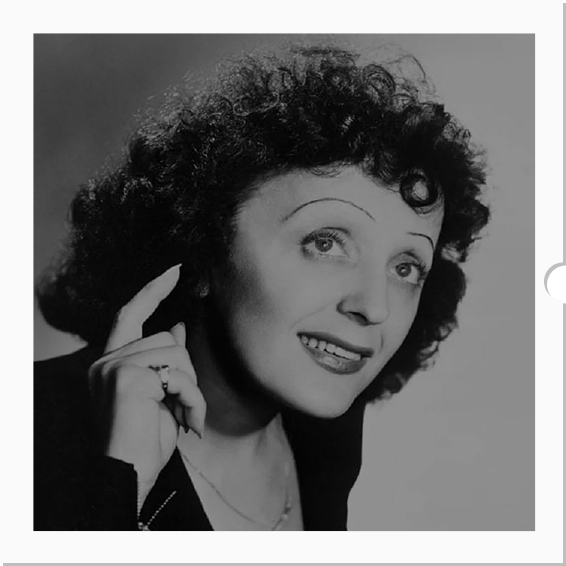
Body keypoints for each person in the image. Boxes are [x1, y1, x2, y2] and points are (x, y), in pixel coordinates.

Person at [34, 43, 490, 531]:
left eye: (405, 269)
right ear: (204, 248)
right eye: (325, 243)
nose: (375, 307)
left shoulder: (325, 436)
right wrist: (119, 484)